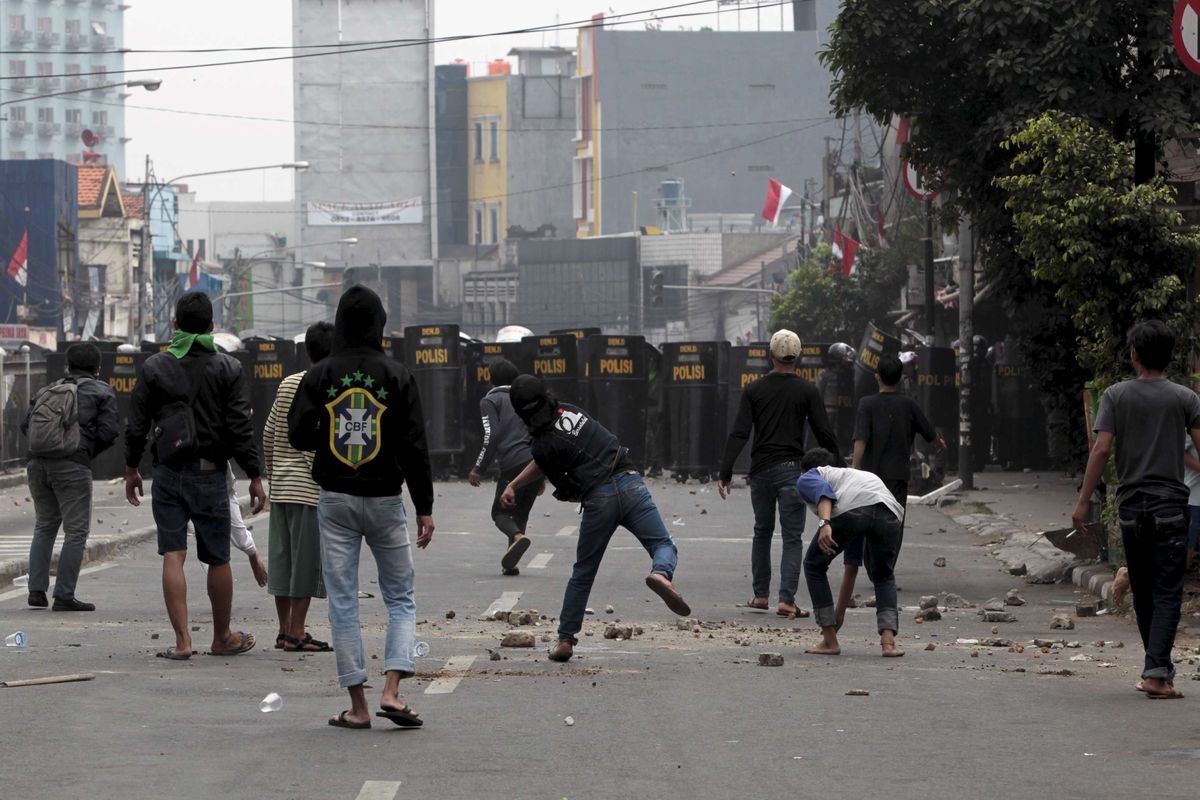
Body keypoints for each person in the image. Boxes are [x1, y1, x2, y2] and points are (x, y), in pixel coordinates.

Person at [289, 286, 436, 730]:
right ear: (379, 323)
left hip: (334, 501)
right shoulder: (396, 374)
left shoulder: (320, 374)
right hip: (387, 500)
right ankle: (393, 689)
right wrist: (425, 507)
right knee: (401, 599)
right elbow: (414, 446)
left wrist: (329, 443)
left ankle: (359, 706)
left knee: (343, 602)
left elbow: (298, 434)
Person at [502, 375, 690, 663]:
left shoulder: (541, 446)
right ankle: (662, 574)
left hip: (599, 499)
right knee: (663, 543)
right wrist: (516, 483)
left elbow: (562, 484)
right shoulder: (570, 410)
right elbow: (552, 457)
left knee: (583, 572)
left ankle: (565, 640)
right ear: (546, 394)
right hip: (629, 481)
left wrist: (520, 485)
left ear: (519, 412)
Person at [125, 291, 265, 660]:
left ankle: (183, 642)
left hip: (167, 472)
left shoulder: (155, 366)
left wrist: (131, 468)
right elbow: (239, 426)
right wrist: (254, 473)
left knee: (173, 554)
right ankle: (222, 637)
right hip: (210, 472)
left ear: (174, 325)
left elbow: (137, 423)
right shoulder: (228, 368)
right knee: (218, 557)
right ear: (212, 326)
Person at [1072, 320, 1200, 700]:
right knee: (1167, 591)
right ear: (1170, 356)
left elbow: (1101, 450)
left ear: (1134, 355)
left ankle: (1157, 667)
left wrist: (1083, 503)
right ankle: (1156, 672)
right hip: (1171, 506)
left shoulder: (1115, 396)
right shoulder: (1186, 398)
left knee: (1143, 590)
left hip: (1130, 505)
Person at [718, 329, 840, 618]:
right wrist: (841, 468)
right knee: (792, 537)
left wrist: (725, 471)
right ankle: (787, 599)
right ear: (798, 357)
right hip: (791, 472)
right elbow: (824, 431)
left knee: (762, 531)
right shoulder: (807, 390)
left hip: (760, 471)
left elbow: (739, 433)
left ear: (769, 356)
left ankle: (760, 596)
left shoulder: (754, 390)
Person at [834, 354, 943, 628]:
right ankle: (885, 569)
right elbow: (931, 434)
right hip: (896, 478)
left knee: (868, 522)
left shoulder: (867, 404)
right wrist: (939, 444)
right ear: (901, 377)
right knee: (893, 525)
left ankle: (874, 568)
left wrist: (854, 469)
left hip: (870, 478)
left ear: (877, 377)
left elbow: (860, 438)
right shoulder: (909, 405)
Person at [23, 343, 118, 611]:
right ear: (98, 367)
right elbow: (109, 432)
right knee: (75, 532)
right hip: (72, 467)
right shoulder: (101, 391)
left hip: (38, 465)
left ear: (68, 365)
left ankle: (36, 591)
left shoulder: (47, 390)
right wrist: (83, 452)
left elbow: (25, 425)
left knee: (44, 525)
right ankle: (64, 595)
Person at [795, 448, 906, 658]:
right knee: (883, 575)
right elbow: (852, 564)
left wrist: (824, 523)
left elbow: (824, 492)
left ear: (803, 470)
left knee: (813, 565)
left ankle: (829, 640)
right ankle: (889, 643)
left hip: (855, 511)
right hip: (890, 513)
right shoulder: (852, 479)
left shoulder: (809, 476)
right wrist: (840, 614)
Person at [263, 321, 334, 652]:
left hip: (281, 488)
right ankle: (297, 632)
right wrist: (319, 477)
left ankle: (283, 630)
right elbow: (313, 442)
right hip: (307, 489)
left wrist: (273, 473)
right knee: (304, 563)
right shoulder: (326, 385)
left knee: (283, 560)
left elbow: (269, 433)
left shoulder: (287, 383)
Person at [468, 358, 542, 576]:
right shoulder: (527, 397)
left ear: (491, 378)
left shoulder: (491, 400)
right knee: (520, 514)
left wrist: (478, 468)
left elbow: (491, 436)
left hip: (512, 463)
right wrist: (541, 473)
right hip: (536, 461)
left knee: (500, 513)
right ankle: (510, 563)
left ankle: (517, 538)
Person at [186, 467, 268, 588]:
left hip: (221, 484)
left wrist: (255, 478)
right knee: (204, 544)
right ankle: (217, 593)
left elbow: (241, 448)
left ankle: (253, 555)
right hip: (188, 489)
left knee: (242, 541)